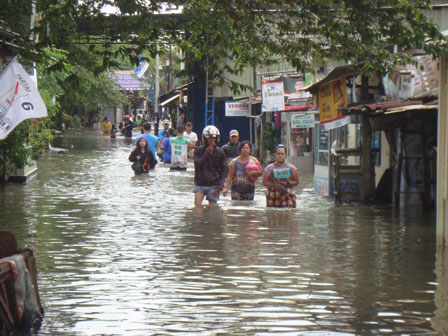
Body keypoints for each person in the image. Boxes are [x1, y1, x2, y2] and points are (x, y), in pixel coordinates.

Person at [193, 125, 227, 205]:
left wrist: (220, 186)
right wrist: (207, 153)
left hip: (214, 185)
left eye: (213, 138)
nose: (211, 140)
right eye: (209, 138)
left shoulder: (220, 152)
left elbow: (224, 171)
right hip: (200, 184)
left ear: (216, 139)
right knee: (197, 209)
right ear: (205, 139)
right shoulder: (198, 150)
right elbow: (197, 165)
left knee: (213, 211)